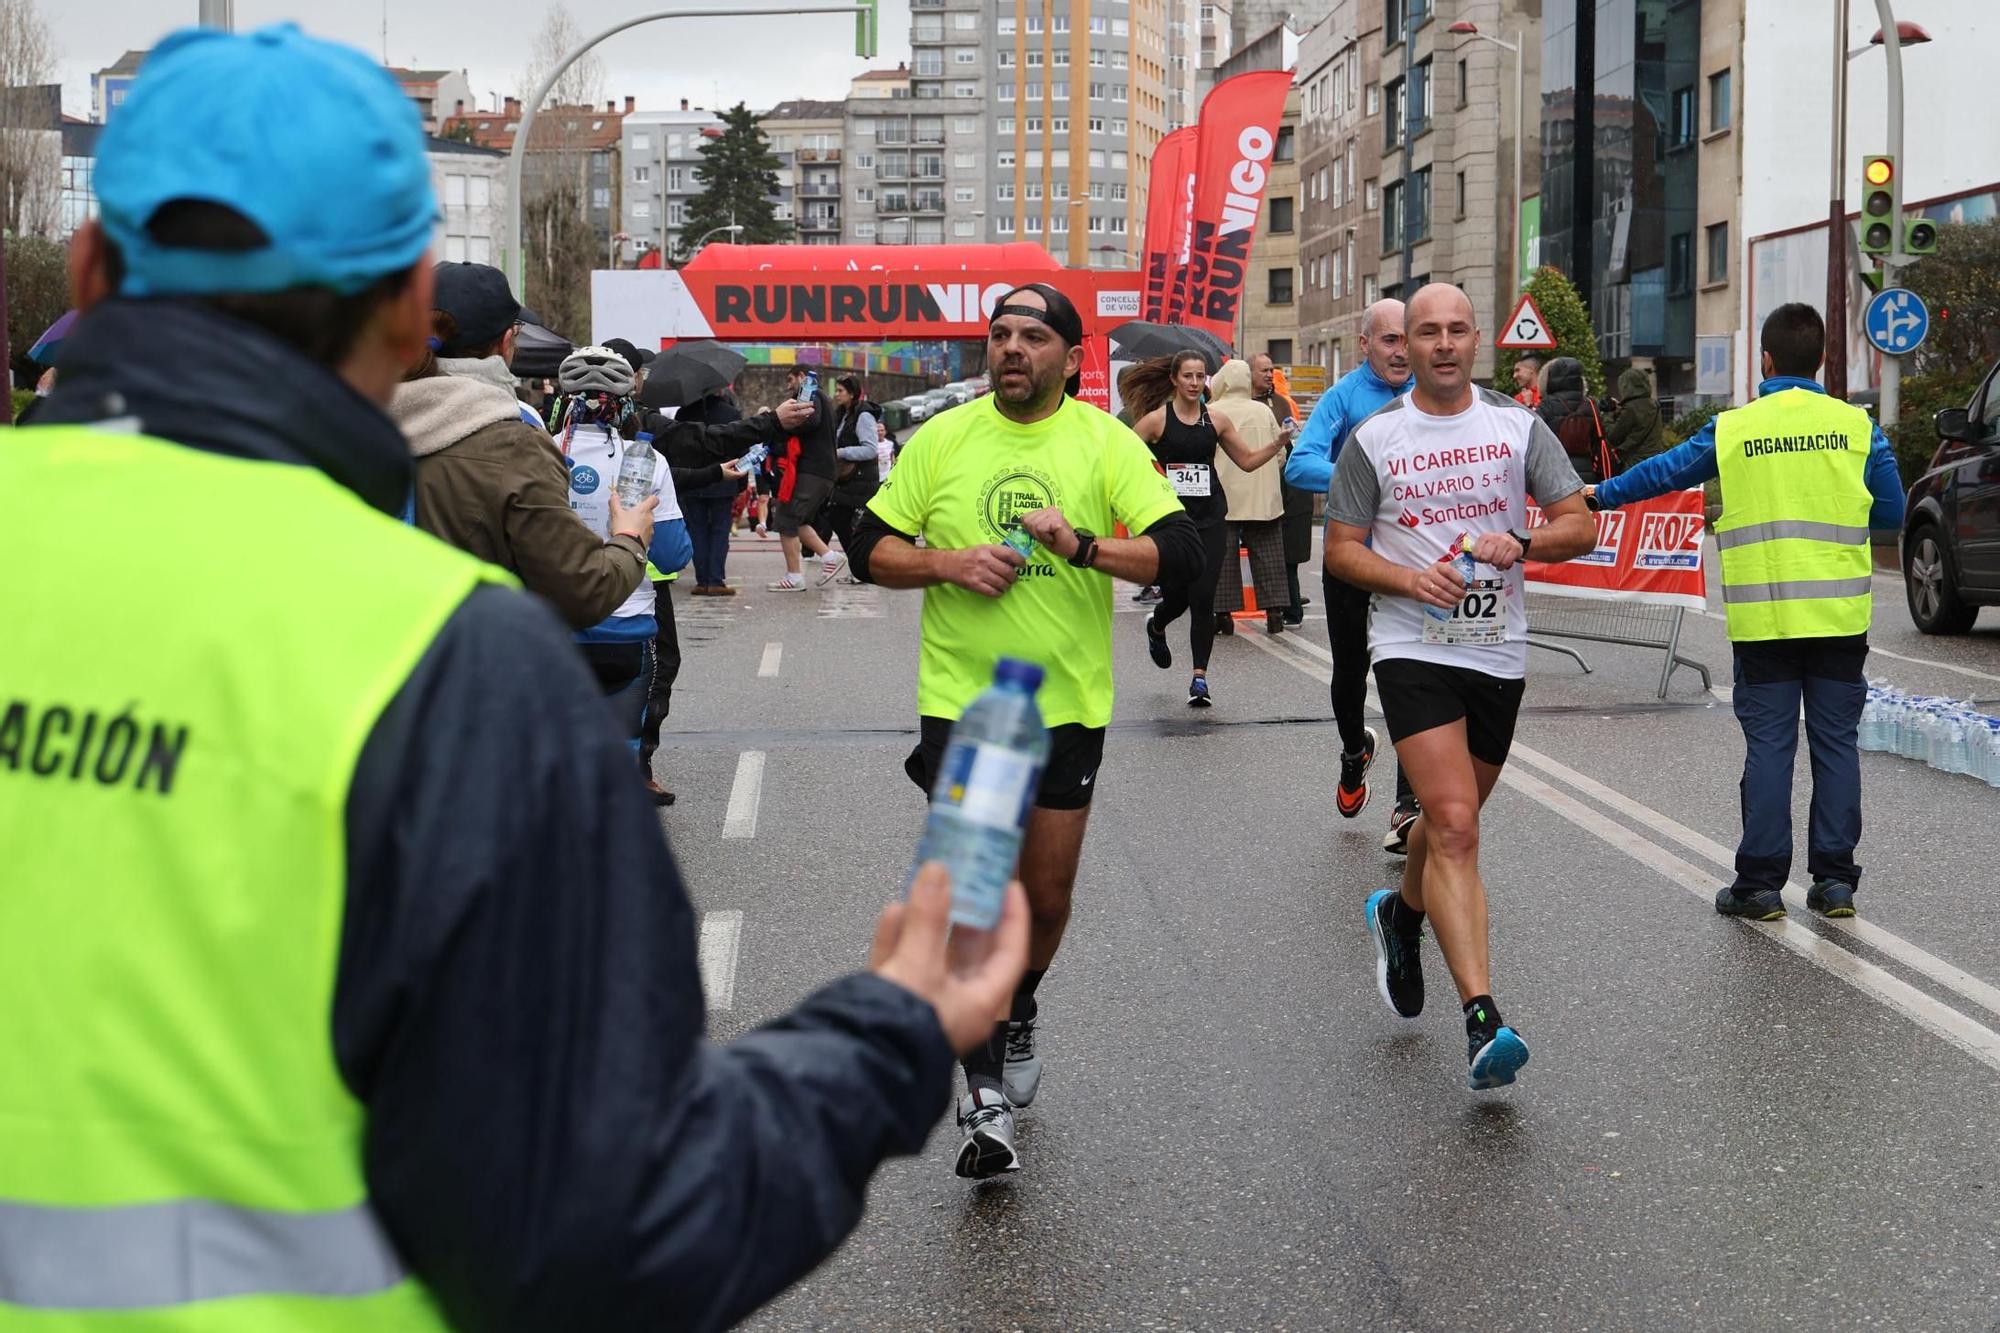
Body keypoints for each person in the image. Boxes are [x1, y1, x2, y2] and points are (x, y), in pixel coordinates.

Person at [3, 22, 1030, 1330]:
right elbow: (609, 1237)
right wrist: (893, 1028)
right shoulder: (444, 663)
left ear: (92, 263)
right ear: (409, 300)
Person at [852, 281, 1204, 1177]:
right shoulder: (943, 439)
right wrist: (948, 561)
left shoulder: (1105, 443)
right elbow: (868, 548)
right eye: (1000, 334)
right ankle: (983, 1101)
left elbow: (1186, 556)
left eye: (1033, 336)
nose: (1011, 347)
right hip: (966, 703)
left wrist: (1084, 546)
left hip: (1069, 705)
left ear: (1071, 357)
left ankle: (1016, 1008)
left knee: (1045, 898)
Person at [1324, 283, 1597, 1090]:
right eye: (1426, 333)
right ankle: (1483, 1016)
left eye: (1456, 331)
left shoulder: (1519, 428)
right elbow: (1340, 550)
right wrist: (1410, 582)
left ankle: (1401, 916)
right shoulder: (1374, 439)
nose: (1442, 344)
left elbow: (1578, 522)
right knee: (1451, 822)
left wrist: (1522, 540)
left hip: (1497, 650)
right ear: (1404, 345)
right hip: (1411, 645)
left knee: (1452, 828)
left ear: (1478, 340)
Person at [1586, 302, 1905, 920]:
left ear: (1764, 360)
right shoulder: (1858, 428)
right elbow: (1891, 513)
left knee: (1771, 748)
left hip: (1765, 621)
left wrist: (1602, 494)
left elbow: (1666, 471)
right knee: (1836, 745)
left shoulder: (1736, 429)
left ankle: (1759, 886)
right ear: (1822, 361)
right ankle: (1835, 883)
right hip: (1839, 618)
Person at [391, 261, 655, 630]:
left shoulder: (342, 423)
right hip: (465, 669)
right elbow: (583, 590)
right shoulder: (514, 445)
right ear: (505, 342)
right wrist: (630, 538)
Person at [1284, 299, 1422, 845]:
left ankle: (1406, 806)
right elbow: (1300, 463)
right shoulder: (1345, 397)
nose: (1401, 351)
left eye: (1407, 339)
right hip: (1350, 556)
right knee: (1350, 673)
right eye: (1389, 340)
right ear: (1365, 344)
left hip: (1410, 560)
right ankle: (1353, 749)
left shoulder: (1427, 396)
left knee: (1410, 673)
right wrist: (1364, 474)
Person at [550, 345, 693, 804]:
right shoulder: (645, 459)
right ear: (625, 402)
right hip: (627, 629)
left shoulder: (539, 451)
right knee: (625, 755)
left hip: (555, 628)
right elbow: (672, 556)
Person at [1129, 351, 1282, 706]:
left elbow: (1245, 462)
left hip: (1212, 517)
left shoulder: (1217, 420)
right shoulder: (1156, 421)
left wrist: (1275, 444)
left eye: (1201, 377)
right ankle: (1158, 623)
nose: (1195, 383)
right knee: (1178, 597)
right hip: (1173, 522)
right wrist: (1154, 483)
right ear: (1174, 380)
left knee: (1203, 599)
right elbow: (1125, 459)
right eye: (1188, 377)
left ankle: (1199, 678)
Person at [1206, 358, 1292, 636]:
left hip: (1224, 497)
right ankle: (1275, 611)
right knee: (1269, 555)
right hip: (1262, 496)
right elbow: (1279, 452)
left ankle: (1223, 614)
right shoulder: (1262, 410)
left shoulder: (1210, 411)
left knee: (1223, 556)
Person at [770, 362, 843, 591]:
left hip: (812, 469)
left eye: (790, 380)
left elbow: (809, 421)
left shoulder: (808, 391)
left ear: (801, 376)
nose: (788, 385)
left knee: (785, 517)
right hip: (821, 471)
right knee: (797, 520)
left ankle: (794, 576)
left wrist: (782, 424)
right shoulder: (819, 396)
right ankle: (829, 557)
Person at [1252, 353, 1313, 625]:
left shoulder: (1281, 403)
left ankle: (1287, 608)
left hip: (1287, 484)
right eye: (1263, 370)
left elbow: (1294, 442)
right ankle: (1284, 606)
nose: (1268, 374)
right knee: (1272, 552)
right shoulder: (1247, 405)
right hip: (1261, 484)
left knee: (1286, 552)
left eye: (1271, 370)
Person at [677, 386, 750, 594]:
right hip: (724, 480)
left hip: (693, 479)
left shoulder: (684, 414)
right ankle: (716, 580)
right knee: (719, 531)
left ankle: (702, 580)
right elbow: (741, 447)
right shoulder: (730, 414)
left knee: (697, 530)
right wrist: (741, 483)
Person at [821, 374, 886, 581]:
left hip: (860, 479)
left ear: (852, 393)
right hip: (847, 480)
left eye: (840, 391)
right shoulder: (843, 415)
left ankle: (861, 568)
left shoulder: (863, 415)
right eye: (836, 390)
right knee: (839, 519)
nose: (836, 394)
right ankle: (859, 568)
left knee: (842, 520)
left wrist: (841, 452)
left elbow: (870, 449)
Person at [1538, 355, 1616, 483]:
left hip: (1555, 473)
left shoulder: (1547, 404)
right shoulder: (1590, 404)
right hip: (1587, 473)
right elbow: (1599, 438)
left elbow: (1536, 438)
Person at [1605, 364, 1666, 467]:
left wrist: (1609, 413)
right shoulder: (1655, 405)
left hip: (1634, 464)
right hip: (1655, 462)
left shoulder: (1630, 409)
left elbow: (1612, 437)